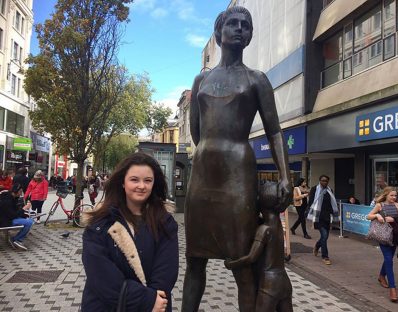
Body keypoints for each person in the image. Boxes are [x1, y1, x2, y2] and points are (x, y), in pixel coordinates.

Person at [182, 6, 292, 312]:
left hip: (239, 179)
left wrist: (285, 175)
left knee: (243, 265)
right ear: (219, 33)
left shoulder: (257, 80)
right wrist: (211, 154)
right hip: (203, 179)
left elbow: (275, 132)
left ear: (251, 35)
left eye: (246, 25)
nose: (240, 28)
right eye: (233, 23)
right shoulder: (200, 81)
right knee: (195, 260)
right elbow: (196, 131)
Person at [81, 152, 179, 311]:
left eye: (148, 180)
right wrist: (145, 301)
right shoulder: (99, 223)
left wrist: (153, 301)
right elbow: (100, 275)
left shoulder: (165, 222)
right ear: (122, 182)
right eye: (134, 180)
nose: (141, 186)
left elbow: (166, 272)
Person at [224, 181, 292, 311]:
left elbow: (251, 258)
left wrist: (231, 264)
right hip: (284, 280)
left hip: (269, 284)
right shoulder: (277, 224)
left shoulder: (264, 229)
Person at [366, 187, 398, 303]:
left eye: (395, 196)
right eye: (392, 195)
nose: (394, 197)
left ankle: (381, 276)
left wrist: (393, 219)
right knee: (388, 259)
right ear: (386, 195)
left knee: (389, 259)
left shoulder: (397, 205)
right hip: (383, 236)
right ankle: (393, 289)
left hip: (395, 236)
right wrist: (377, 216)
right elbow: (368, 216)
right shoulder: (379, 205)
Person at [307, 175, 339, 265]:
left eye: (326, 181)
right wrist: (312, 216)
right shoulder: (314, 189)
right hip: (318, 217)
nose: (324, 182)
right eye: (322, 180)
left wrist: (334, 216)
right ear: (319, 181)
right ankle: (325, 257)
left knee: (325, 237)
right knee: (324, 236)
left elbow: (332, 204)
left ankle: (317, 245)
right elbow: (311, 202)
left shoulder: (330, 190)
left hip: (327, 217)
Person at [0, 183, 34, 251]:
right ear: (15, 191)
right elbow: (13, 215)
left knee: (30, 219)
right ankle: (16, 239)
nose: (21, 193)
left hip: (8, 218)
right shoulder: (7, 201)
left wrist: (25, 214)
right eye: (20, 192)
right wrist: (24, 208)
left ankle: (16, 239)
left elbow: (15, 212)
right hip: (5, 221)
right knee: (29, 222)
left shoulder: (12, 197)